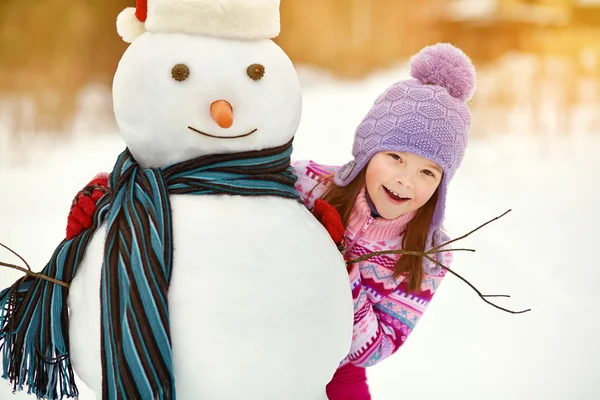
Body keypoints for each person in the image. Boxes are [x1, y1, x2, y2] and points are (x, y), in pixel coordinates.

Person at [65, 42, 475, 399]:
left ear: (442, 183)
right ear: (368, 152)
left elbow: (374, 349)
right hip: (266, 332)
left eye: (428, 172)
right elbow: (227, 178)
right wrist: (119, 193)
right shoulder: (310, 183)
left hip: (338, 371)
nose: (405, 180)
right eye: (395, 158)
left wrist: (338, 265)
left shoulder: (429, 257)